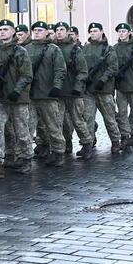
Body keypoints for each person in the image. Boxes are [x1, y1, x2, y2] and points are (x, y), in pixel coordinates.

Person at [0, 19, 33, 175]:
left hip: (17, 99)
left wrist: (17, 90)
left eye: (5, 29)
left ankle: (26, 158)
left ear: (13, 31)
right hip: (0, 99)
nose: (2, 32)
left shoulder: (21, 51)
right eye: (0, 29)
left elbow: (27, 75)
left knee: (21, 131)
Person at [28, 21, 67, 166]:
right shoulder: (27, 48)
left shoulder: (53, 49)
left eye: (40, 30)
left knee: (53, 126)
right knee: (29, 127)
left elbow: (60, 70)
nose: (37, 32)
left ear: (46, 32)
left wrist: (56, 87)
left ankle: (58, 153)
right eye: (35, 30)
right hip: (31, 94)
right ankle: (28, 154)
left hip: (48, 94)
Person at [54, 22, 94, 159]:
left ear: (67, 32)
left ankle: (87, 144)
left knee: (78, 120)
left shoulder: (75, 49)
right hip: (57, 92)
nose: (59, 32)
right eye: (57, 30)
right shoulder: (52, 48)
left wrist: (77, 88)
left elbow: (82, 71)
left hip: (73, 92)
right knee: (59, 122)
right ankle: (65, 144)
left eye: (62, 29)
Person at [82, 22, 121, 154]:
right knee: (88, 119)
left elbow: (113, 67)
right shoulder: (85, 49)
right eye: (91, 31)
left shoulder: (108, 49)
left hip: (104, 89)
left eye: (95, 31)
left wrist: (103, 80)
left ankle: (115, 141)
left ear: (102, 31)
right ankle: (88, 144)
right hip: (89, 90)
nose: (93, 33)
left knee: (109, 118)